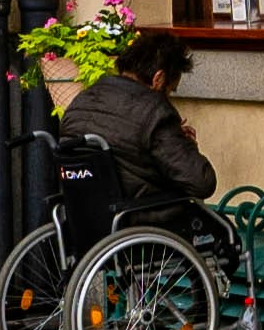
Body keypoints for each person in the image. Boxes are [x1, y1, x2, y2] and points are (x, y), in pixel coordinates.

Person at [60, 28, 217, 209]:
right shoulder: (155, 112)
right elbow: (201, 182)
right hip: (141, 215)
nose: (168, 98)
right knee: (220, 225)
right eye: (170, 90)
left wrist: (172, 138)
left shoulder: (81, 101)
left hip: (85, 213)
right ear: (158, 78)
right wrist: (186, 144)